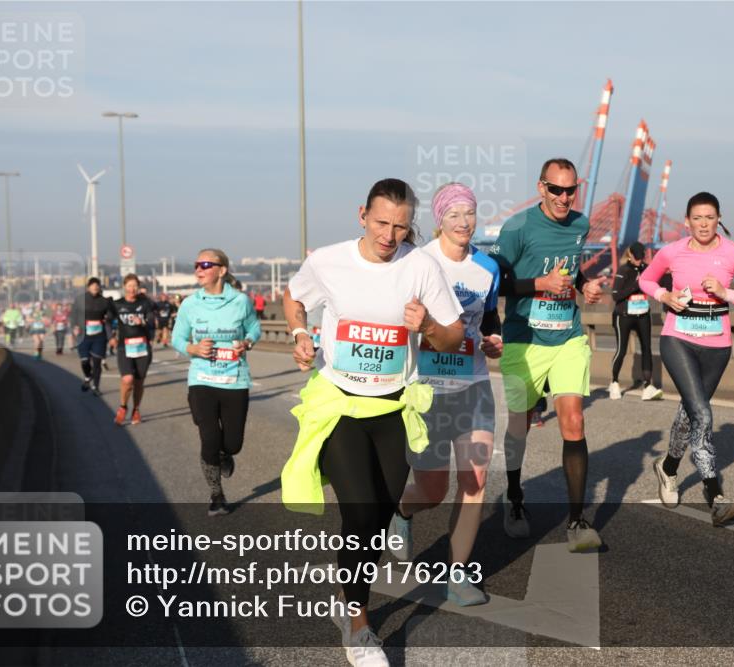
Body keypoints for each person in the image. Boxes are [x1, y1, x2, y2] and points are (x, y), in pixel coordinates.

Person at [281, 178, 463, 667]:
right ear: (362, 214)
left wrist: (426, 326)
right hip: (340, 403)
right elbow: (294, 297)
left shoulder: (421, 266)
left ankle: (350, 590)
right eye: (382, 223)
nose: (390, 235)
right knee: (360, 513)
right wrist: (301, 332)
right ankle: (358, 624)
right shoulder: (328, 261)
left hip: (394, 407)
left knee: (379, 518)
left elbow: (453, 337)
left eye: (401, 227)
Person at [388, 183, 501, 607]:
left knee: (475, 481)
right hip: (427, 391)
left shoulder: (488, 267)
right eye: (453, 214)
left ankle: (458, 575)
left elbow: (489, 318)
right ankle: (402, 511)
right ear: (439, 220)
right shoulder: (417, 262)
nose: (463, 222)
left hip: (472, 386)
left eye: (469, 213)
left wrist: (493, 340)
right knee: (432, 490)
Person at [489, 158, 605, 552]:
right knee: (519, 423)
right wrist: (540, 283)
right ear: (541, 188)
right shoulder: (517, 228)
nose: (563, 197)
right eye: (555, 189)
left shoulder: (580, 223)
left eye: (570, 190)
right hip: (525, 339)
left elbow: (573, 270)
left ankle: (576, 520)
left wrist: (584, 286)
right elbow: (496, 284)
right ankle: (515, 497)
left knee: (573, 421)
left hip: (568, 336)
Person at [639, 192, 734, 526]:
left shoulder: (733, 254)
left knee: (690, 412)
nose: (703, 224)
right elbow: (645, 279)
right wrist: (664, 295)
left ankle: (667, 468)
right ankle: (715, 495)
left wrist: (727, 294)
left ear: (718, 219)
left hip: (717, 344)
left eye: (709, 217)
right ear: (687, 222)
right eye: (697, 218)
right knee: (702, 413)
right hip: (677, 338)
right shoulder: (672, 251)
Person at [171, 250, 261, 516]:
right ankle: (216, 495)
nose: (199, 269)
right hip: (201, 379)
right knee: (209, 438)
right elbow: (177, 338)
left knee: (232, 443)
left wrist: (247, 342)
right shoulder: (190, 304)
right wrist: (193, 348)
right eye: (197, 264)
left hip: (234, 379)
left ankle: (225, 455)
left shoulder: (240, 301)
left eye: (206, 265)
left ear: (222, 270)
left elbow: (255, 327)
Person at [609, 241, 663, 401]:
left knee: (647, 348)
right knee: (622, 350)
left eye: (642, 257)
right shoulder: (623, 270)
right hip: (623, 316)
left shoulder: (647, 268)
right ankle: (614, 383)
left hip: (642, 314)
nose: (639, 260)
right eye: (637, 257)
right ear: (630, 255)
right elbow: (615, 295)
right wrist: (636, 285)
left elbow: (657, 284)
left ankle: (648, 386)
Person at [110, 274, 157, 425]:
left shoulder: (145, 304)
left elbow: (151, 323)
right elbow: (108, 322)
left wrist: (142, 321)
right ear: (124, 287)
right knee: (127, 379)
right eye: (129, 286)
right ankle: (123, 407)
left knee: (139, 382)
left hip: (142, 346)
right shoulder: (117, 304)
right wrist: (111, 335)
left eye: (135, 286)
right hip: (125, 346)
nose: (132, 289)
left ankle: (136, 409)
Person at [71, 277, 116, 396]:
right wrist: (75, 326)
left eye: (97, 285)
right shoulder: (80, 300)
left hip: (99, 335)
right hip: (83, 334)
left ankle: (96, 387)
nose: (95, 287)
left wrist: (109, 318)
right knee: (85, 361)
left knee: (97, 362)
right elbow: (74, 314)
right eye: (93, 285)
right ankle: (87, 376)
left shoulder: (105, 301)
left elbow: (112, 315)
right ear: (88, 287)